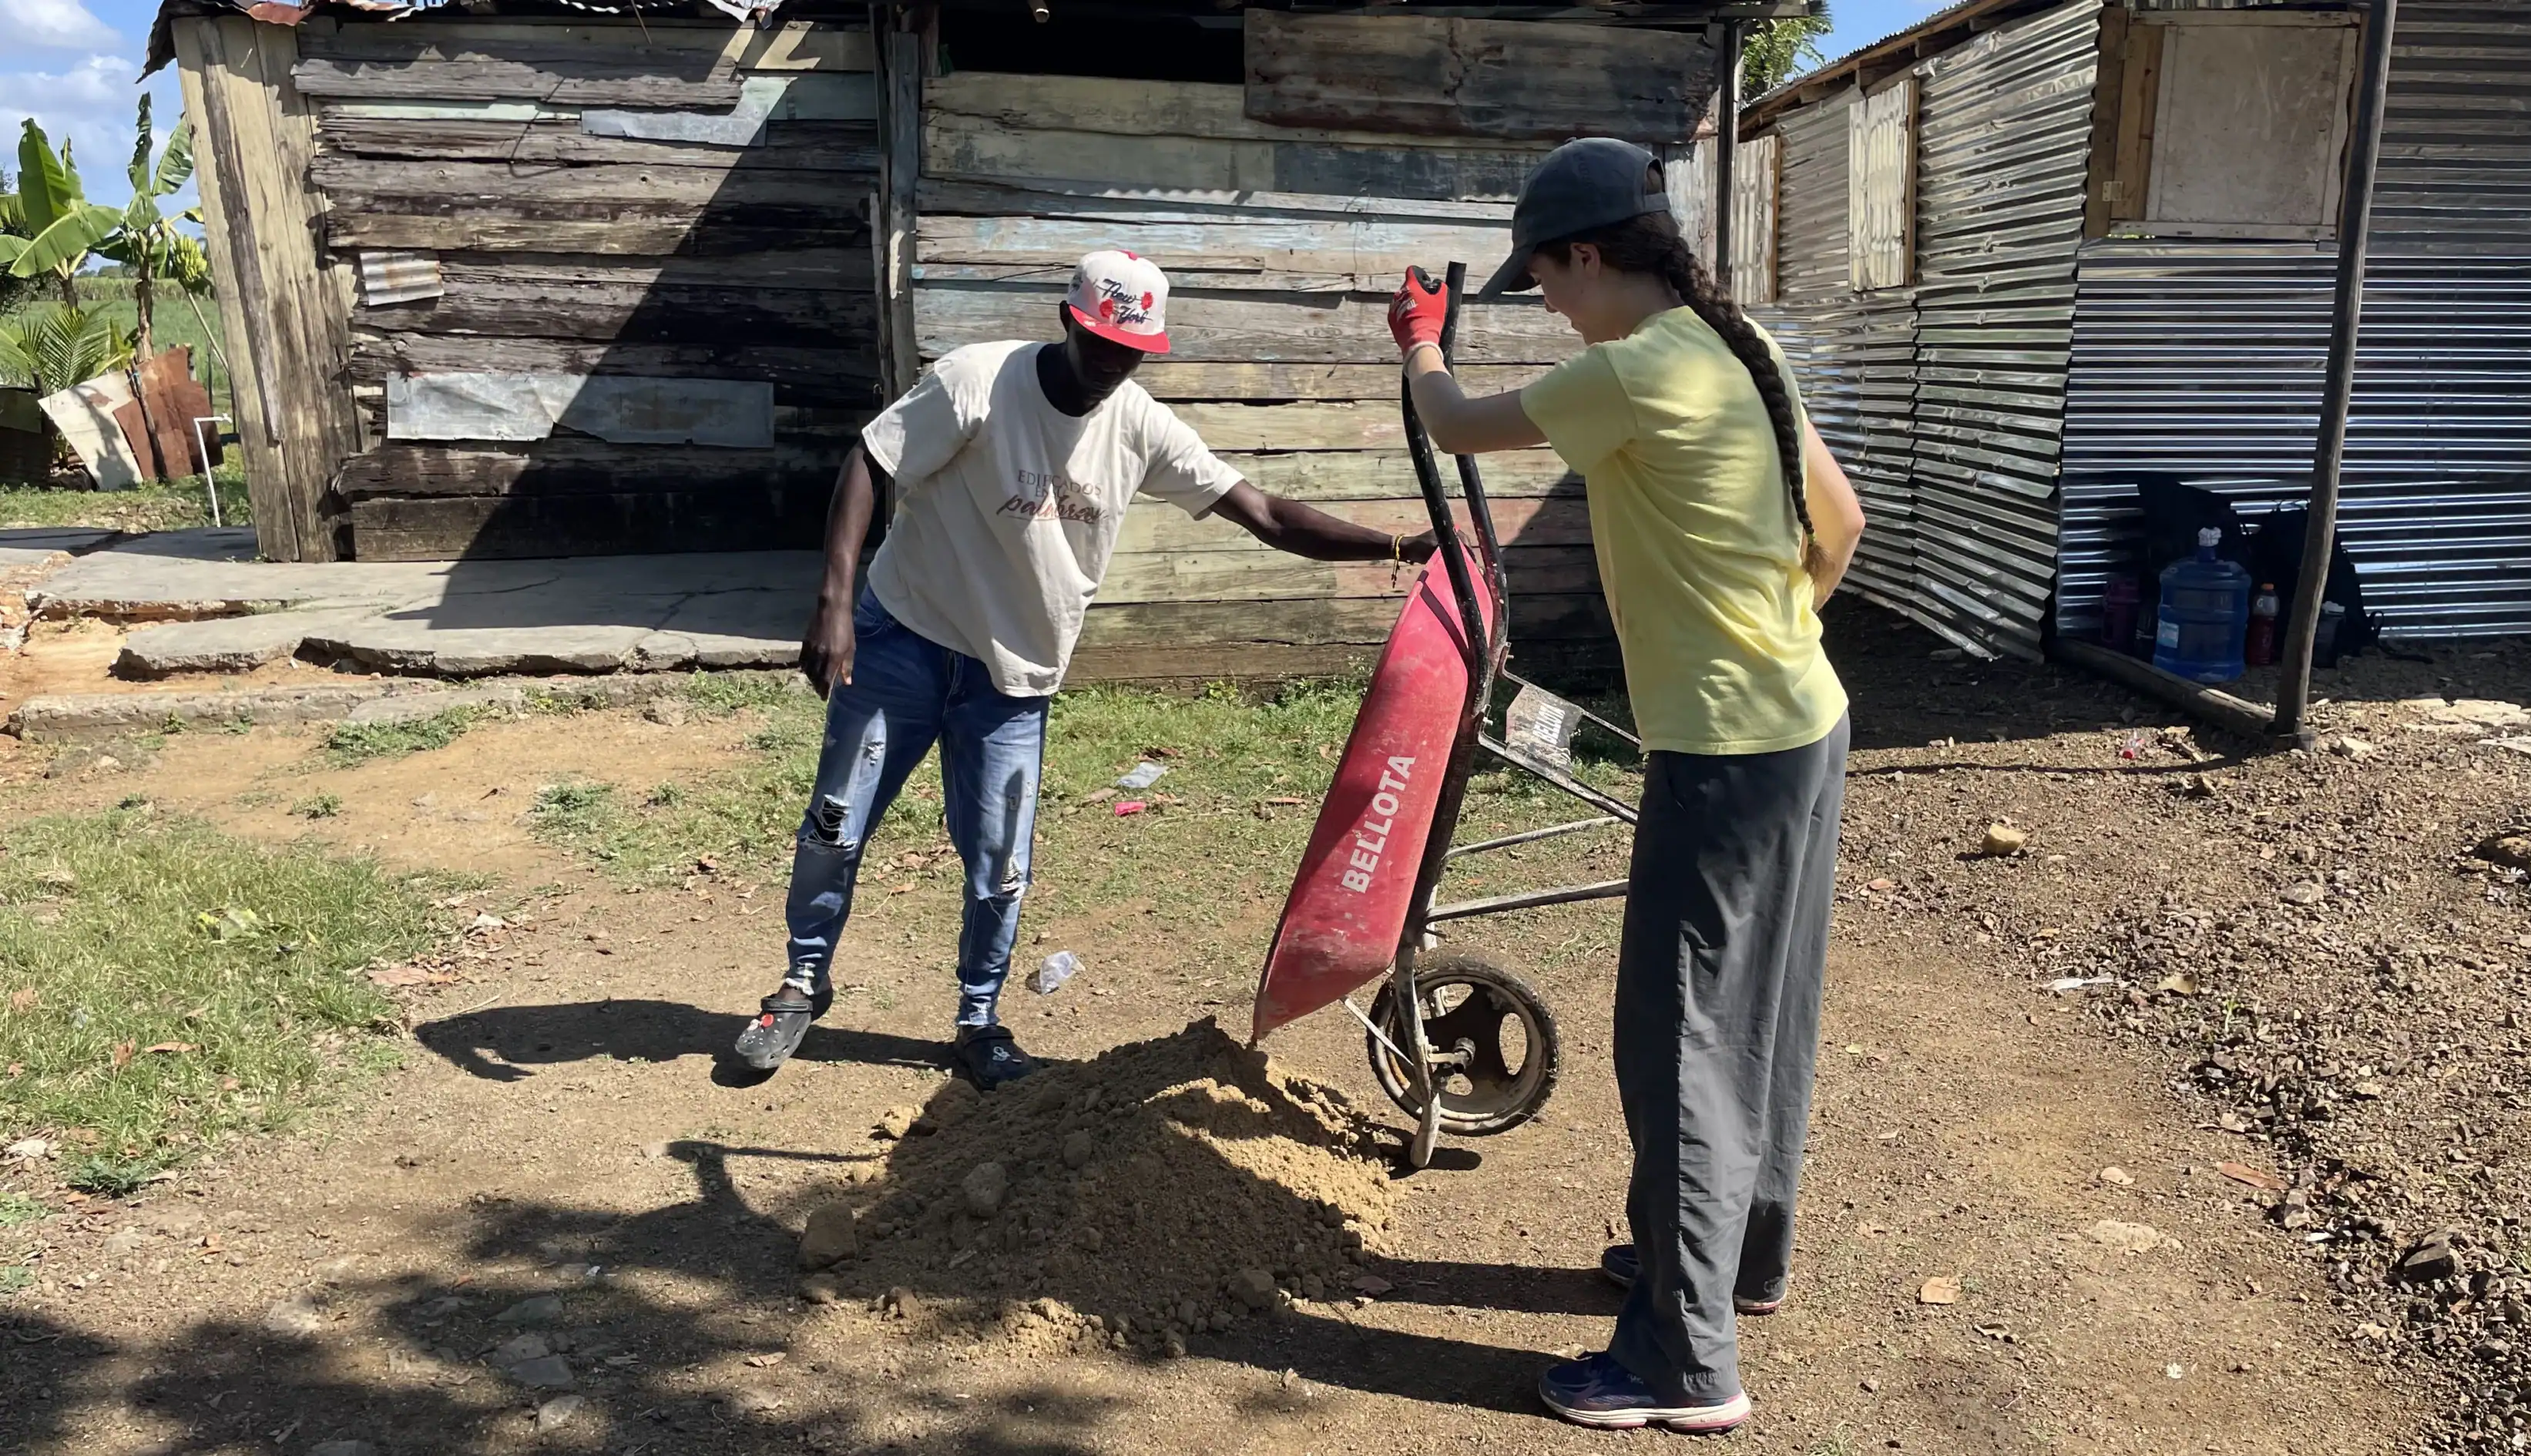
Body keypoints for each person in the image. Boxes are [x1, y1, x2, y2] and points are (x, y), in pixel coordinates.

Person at [1388, 139, 1865, 1433]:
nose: (1542, 301)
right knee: (1763, 1016)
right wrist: (1772, 636)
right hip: (1803, 722)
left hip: (1724, 751)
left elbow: (1458, 427)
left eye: (1541, 279)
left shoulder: (1633, 368)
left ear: (1588, 255)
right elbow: (1846, 520)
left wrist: (1423, 341)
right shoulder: (1740, 344)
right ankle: (1734, 1266)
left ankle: (1680, 1363)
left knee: (1679, 1045)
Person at [735, 250, 1436, 1088]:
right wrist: (835, 603)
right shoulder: (976, 382)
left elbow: (1267, 514)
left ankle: (978, 1020)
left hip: (1012, 677)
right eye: (1101, 342)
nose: (1112, 363)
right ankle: (801, 985)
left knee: (1001, 862)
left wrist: (1399, 546)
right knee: (835, 823)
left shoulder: (1140, 425)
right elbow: (873, 460)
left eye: (1131, 350)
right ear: (1067, 320)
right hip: (905, 638)